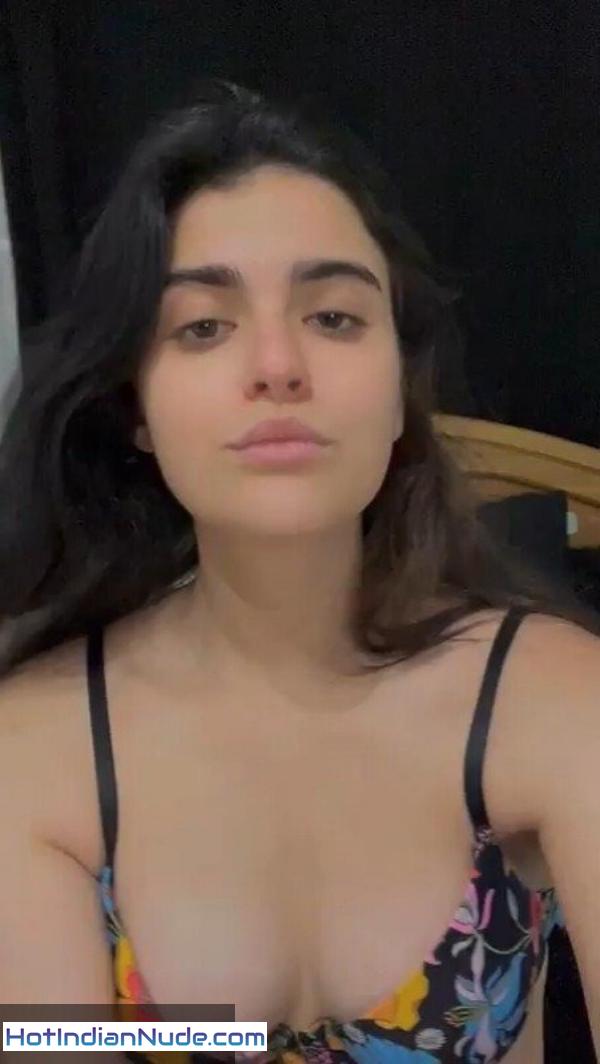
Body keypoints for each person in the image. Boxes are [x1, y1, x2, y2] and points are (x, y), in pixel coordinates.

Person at [0, 78, 598, 1064]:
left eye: (334, 318)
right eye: (203, 326)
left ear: (400, 392)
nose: (278, 364)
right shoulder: (36, 748)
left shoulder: (559, 700)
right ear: (136, 407)